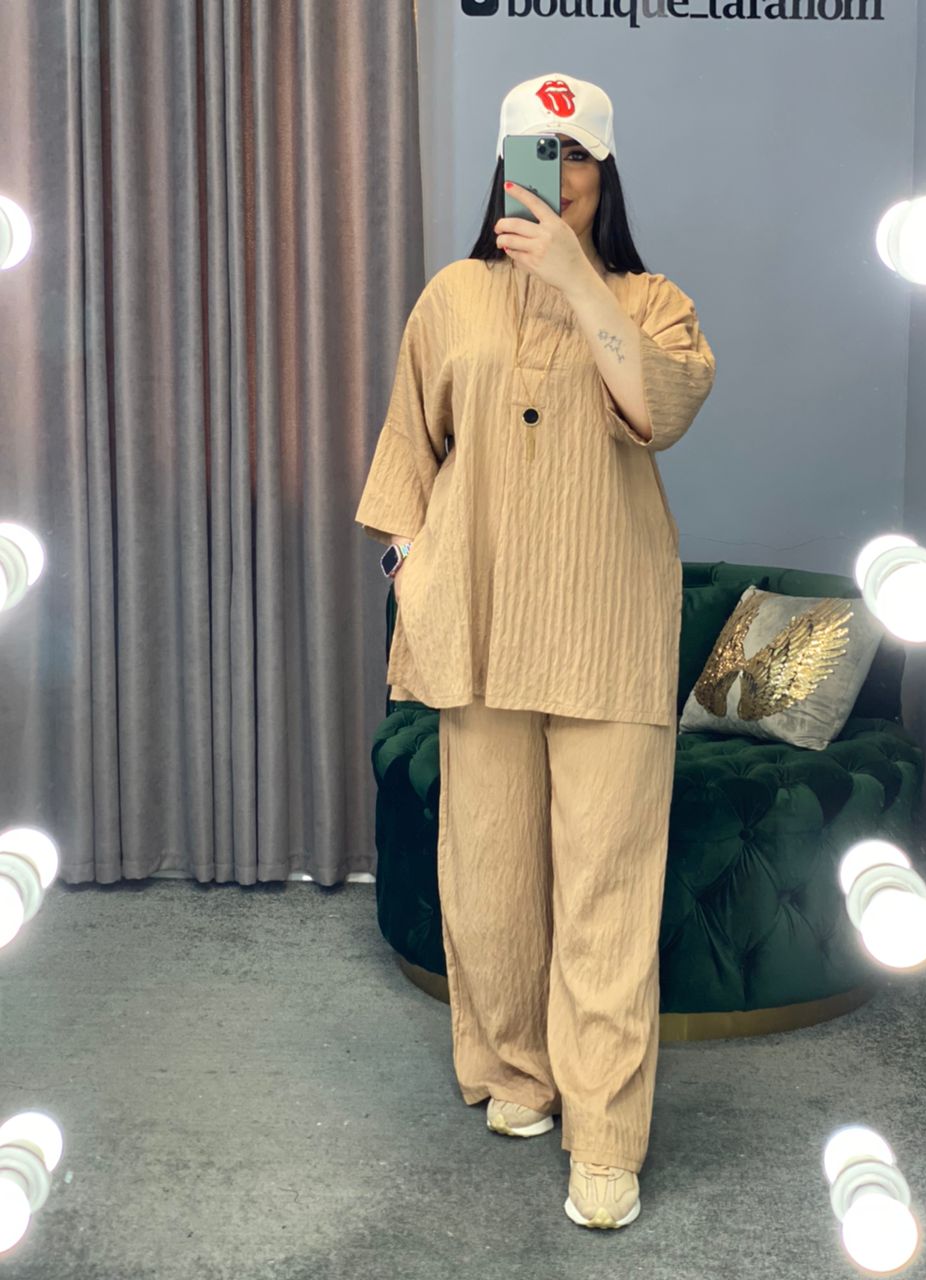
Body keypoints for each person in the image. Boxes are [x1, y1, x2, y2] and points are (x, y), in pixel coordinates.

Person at [354, 72, 717, 1230]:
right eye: (534, 150)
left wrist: (571, 274)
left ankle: (604, 1137)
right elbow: (407, 450)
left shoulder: (652, 302)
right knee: (492, 875)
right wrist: (410, 571)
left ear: (606, 173)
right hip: (479, 624)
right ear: (501, 162)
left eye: (576, 155)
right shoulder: (452, 296)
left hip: (607, 623)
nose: (555, 175)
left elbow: (659, 410)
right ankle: (517, 1069)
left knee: (608, 885)